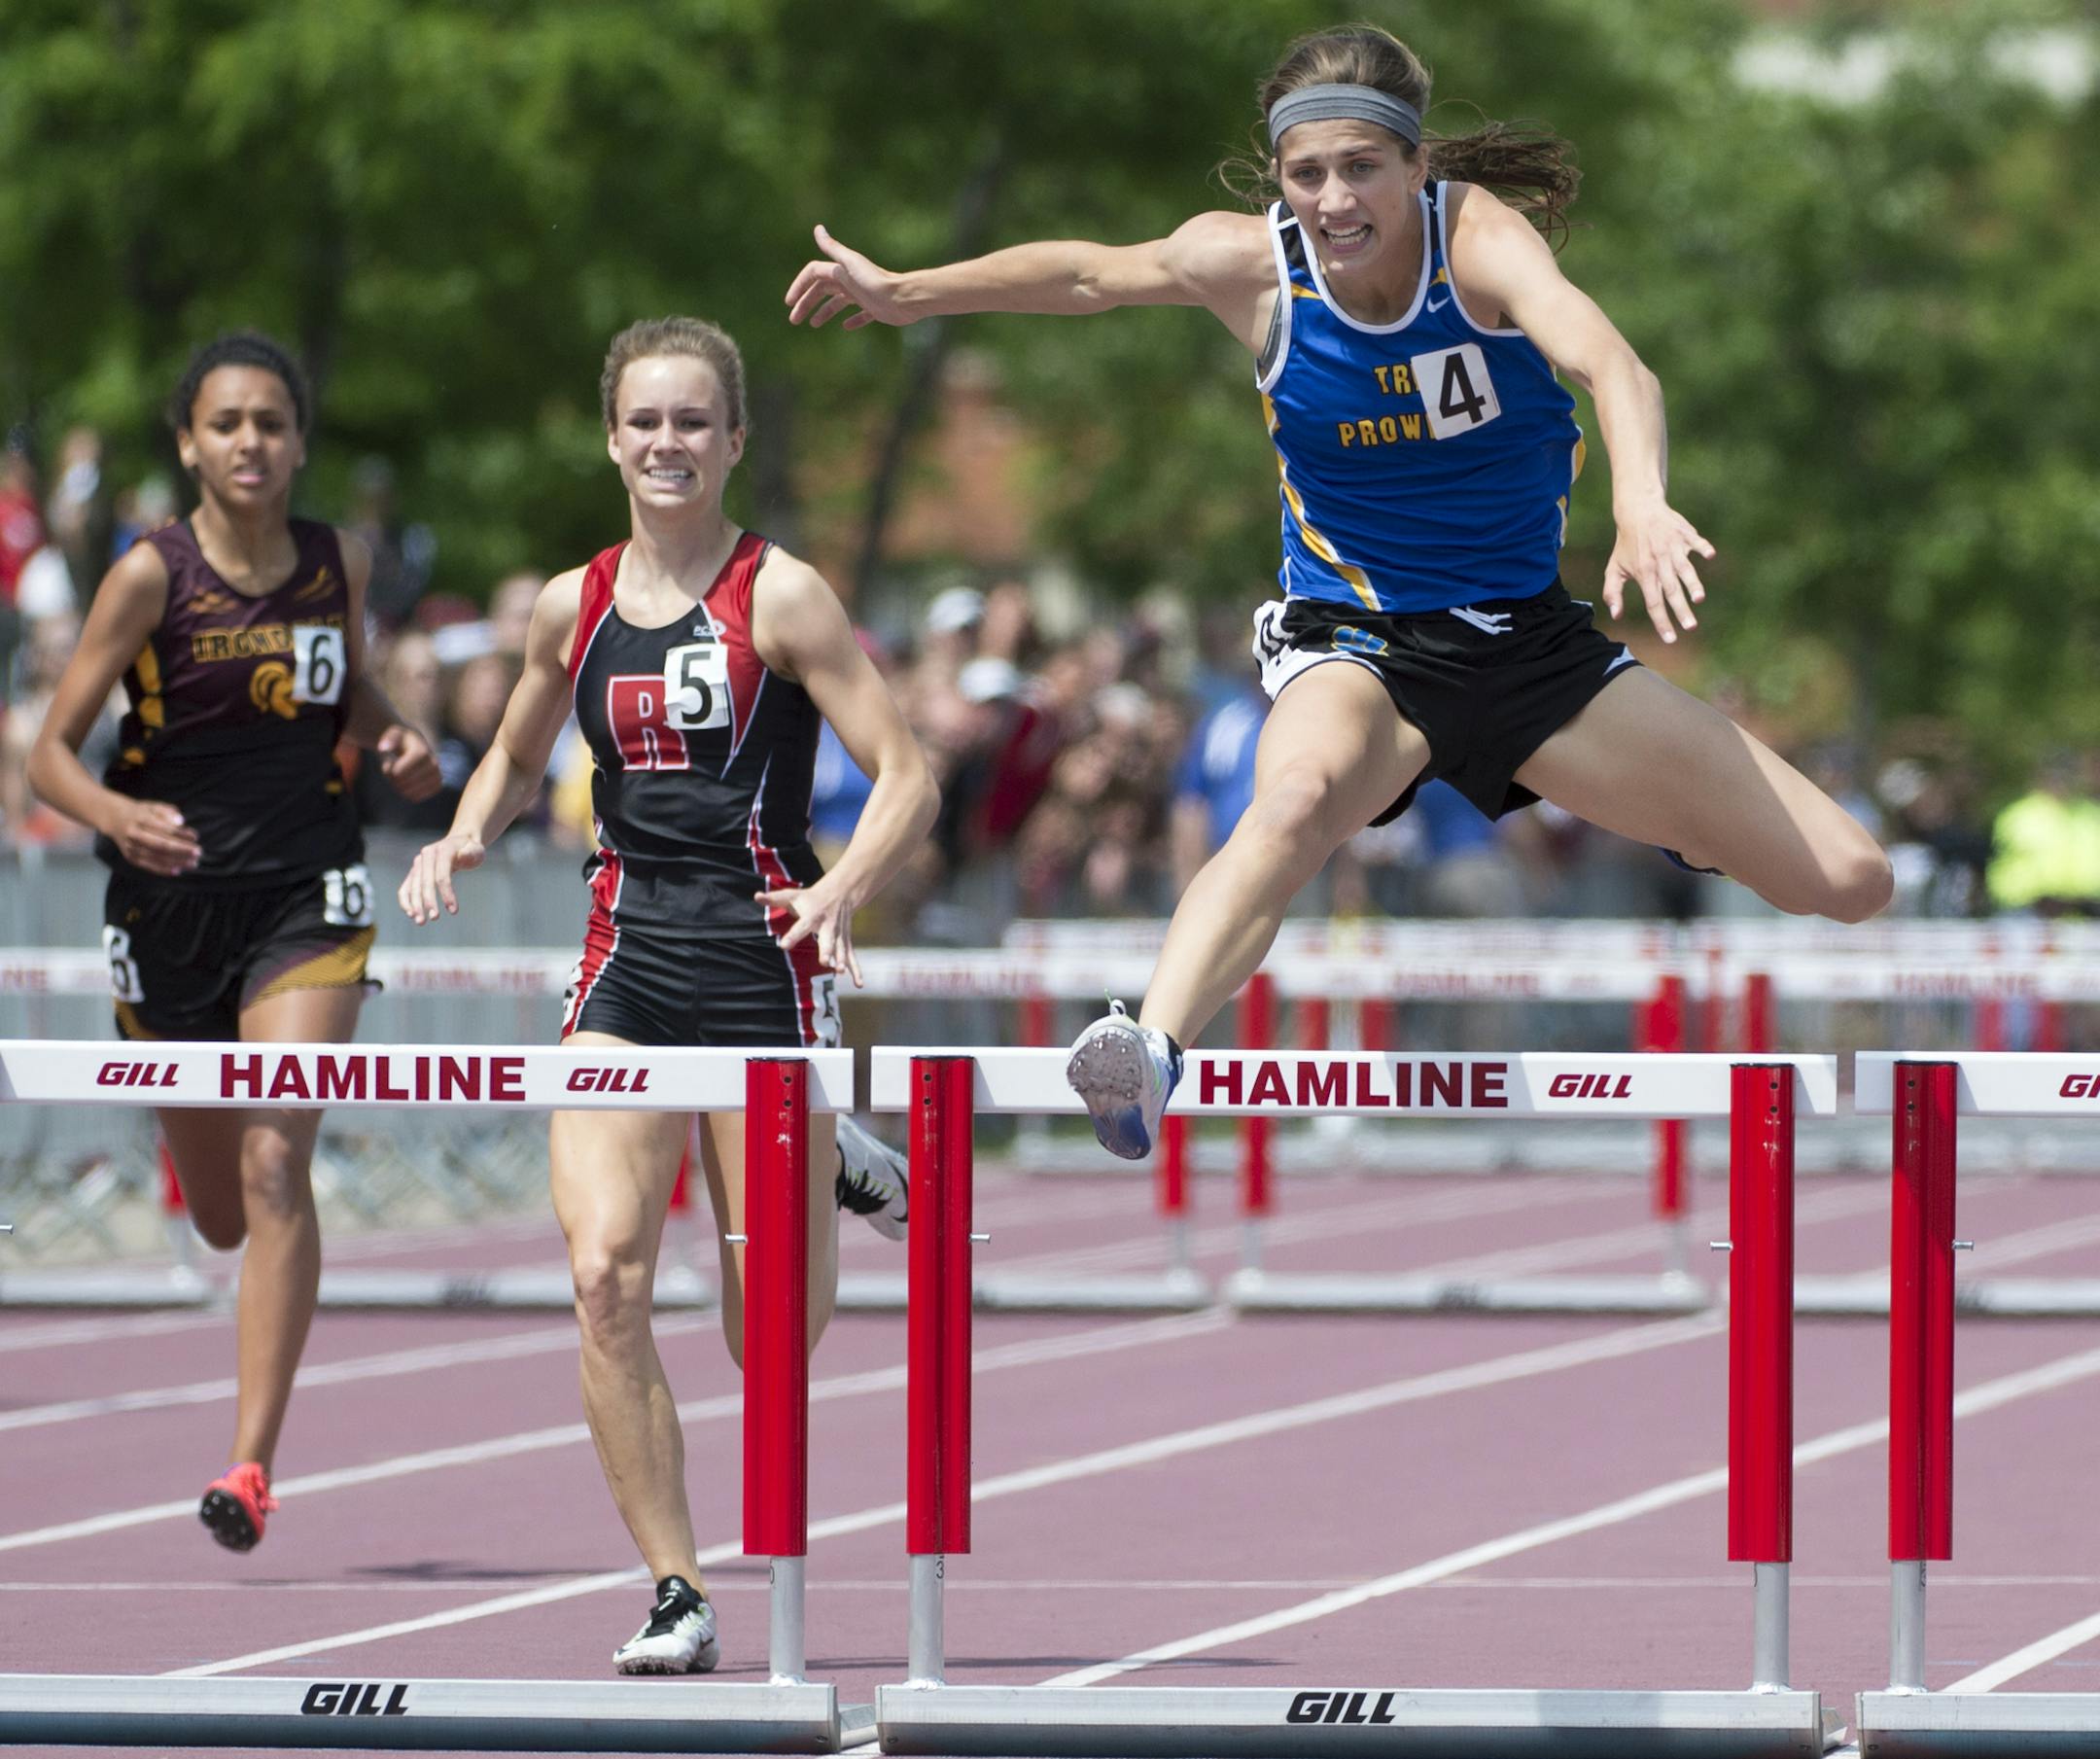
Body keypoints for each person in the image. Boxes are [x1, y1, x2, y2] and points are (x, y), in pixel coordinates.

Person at [788, 22, 1894, 1154]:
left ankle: (1685, 822)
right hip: (1355, 640)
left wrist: (1643, 502)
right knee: (1300, 797)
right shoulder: (1252, 266)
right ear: (1280, 178)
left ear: (1419, 168)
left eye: (1362, 168)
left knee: (1854, 879)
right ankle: (1149, 1052)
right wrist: (908, 292)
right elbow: (1085, 272)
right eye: (1307, 173)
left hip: (1527, 650)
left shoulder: (1477, 241)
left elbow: (1613, 363)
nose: (1334, 199)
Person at [397, 317, 939, 1674]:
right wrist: (464, 830)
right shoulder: (567, 606)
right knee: (602, 1276)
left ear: (735, 441)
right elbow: (516, 754)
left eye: (694, 421)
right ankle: (678, 1589)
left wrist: (841, 888)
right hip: (627, 963)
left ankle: (831, 1166)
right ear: (611, 438)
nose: (668, 444)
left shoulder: (786, 597)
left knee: (770, 1349)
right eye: (646, 421)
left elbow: (910, 774)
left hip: (766, 963)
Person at [26, 332, 440, 1544]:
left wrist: (397, 731)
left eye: (271, 421)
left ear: (299, 441)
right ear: (189, 443)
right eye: (227, 423)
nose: (250, 442)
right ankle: (244, 1349)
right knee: (218, 1211)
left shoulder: (335, 561)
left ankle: (249, 1464)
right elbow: (53, 750)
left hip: (307, 894)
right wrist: (114, 814)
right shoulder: (147, 577)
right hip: (165, 910)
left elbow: (343, 688)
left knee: (275, 1165)